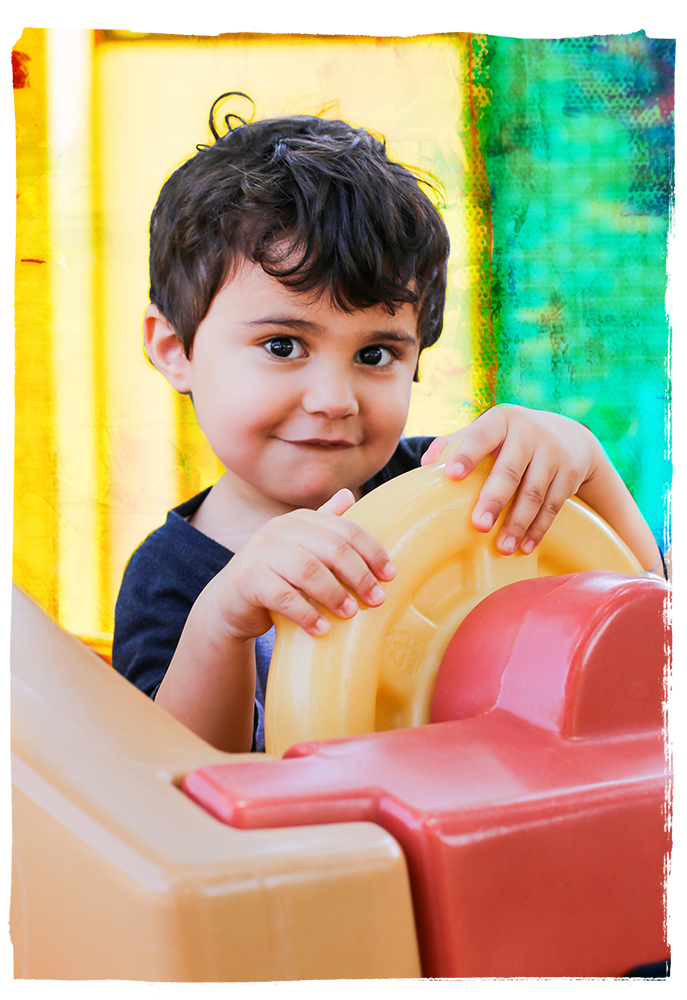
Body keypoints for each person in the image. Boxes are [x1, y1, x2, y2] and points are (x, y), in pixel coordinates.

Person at [113, 111, 662, 754]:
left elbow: (647, 640)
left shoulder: (452, 488)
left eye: (376, 355)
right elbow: (172, 799)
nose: (333, 399)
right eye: (283, 344)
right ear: (174, 347)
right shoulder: (169, 577)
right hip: (333, 854)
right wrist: (222, 622)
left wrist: (586, 468)